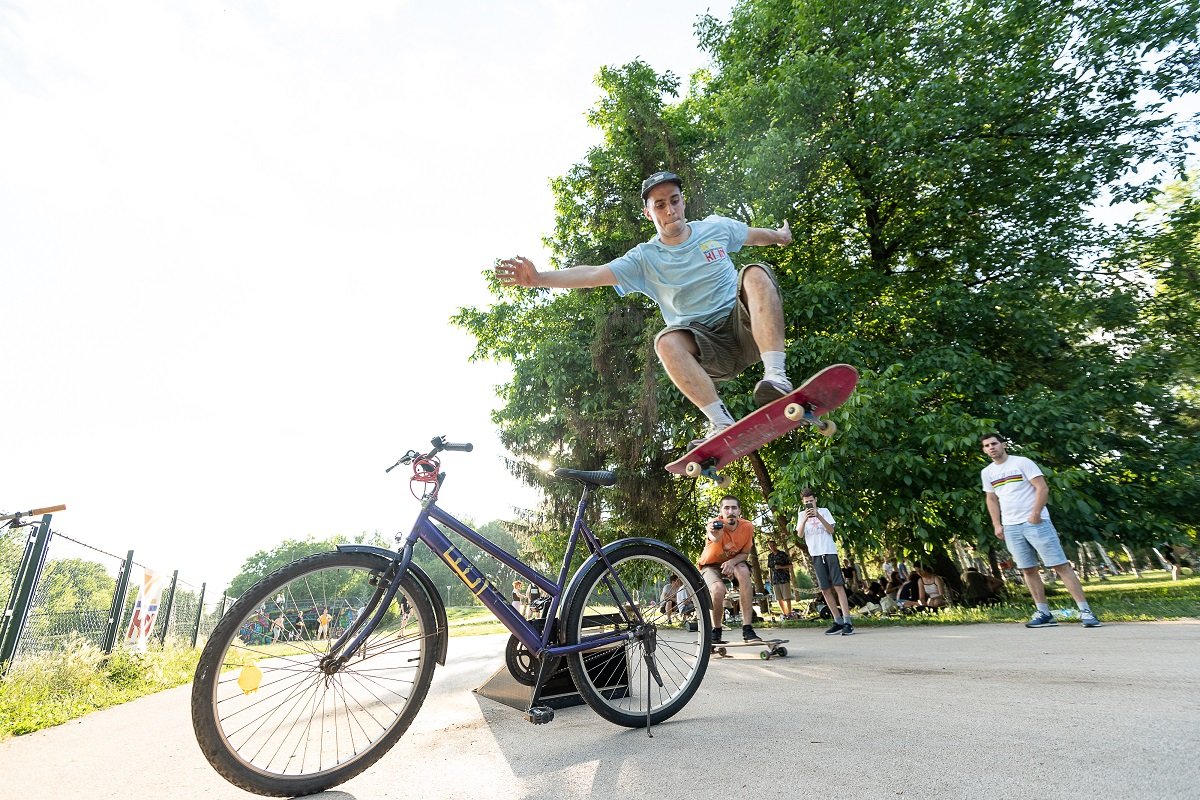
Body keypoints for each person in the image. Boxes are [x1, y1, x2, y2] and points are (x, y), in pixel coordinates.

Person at [496, 171, 795, 446]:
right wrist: (538, 279)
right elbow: (591, 275)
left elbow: (755, 235)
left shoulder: (716, 228)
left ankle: (776, 378)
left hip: (747, 329)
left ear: (683, 201)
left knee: (755, 272)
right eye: (660, 205)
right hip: (707, 350)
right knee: (665, 341)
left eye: (675, 201)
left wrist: (780, 237)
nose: (670, 211)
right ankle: (719, 422)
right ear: (648, 213)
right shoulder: (643, 258)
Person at [980, 432, 1101, 628]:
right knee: (1027, 569)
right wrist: (997, 524)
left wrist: (1036, 513)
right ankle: (1044, 613)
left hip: (1035, 522)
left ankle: (1085, 611)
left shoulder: (1022, 462)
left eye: (994, 443)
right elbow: (991, 499)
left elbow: (1042, 488)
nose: (991, 448)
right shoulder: (987, 472)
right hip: (1011, 526)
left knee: (1060, 565)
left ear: (1003, 444)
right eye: (986, 446)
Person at [698, 495, 763, 643]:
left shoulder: (747, 527)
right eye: (726, 508)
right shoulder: (715, 524)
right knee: (719, 590)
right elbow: (714, 537)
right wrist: (714, 532)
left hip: (733, 562)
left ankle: (748, 629)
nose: (730, 511)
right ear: (721, 512)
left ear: (739, 511)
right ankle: (716, 631)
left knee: (744, 572)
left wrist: (732, 562)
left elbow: (745, 554)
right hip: (710, 565)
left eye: (734, 507)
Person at [797, 487, 854, 635]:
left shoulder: (825, 511)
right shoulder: (801, 515)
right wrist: (804, 519)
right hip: (815, 554)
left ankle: (848, 621)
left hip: (829, 552)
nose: (809, 504)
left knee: (838, 586)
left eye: (811, 501)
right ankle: (837, 621)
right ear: (803, 503)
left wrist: (818, 516)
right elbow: (800, 534)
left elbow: (831, 530)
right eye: (806, 502)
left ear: (815, 500)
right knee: (825, 589)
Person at [766, 540, 795, 618]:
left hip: (784, 578)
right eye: (770, 546)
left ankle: (789, 614)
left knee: (787, 597)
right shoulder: (770, 556)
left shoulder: (782, 554)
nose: (772, 547)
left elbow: (790, 565)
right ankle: (784, 614)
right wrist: (770, 579)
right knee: (779, 598)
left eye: (773, 545)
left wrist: (781, 567)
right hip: (775, 579)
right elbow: (770, 568)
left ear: (776, 545)